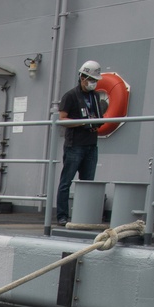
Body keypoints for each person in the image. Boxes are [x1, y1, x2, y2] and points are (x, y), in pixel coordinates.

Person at [56, 61, 104, 226]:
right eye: (90, 79)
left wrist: (94, 123)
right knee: (66, 181)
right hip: (75, 145)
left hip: (92, 145)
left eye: (95, 80)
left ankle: (83, 216)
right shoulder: (70, 96)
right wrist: (83, 123)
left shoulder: (96, 96)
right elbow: (62, 119)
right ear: (82, 77)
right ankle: (62, 216)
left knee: (87, 183)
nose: (93, 82)